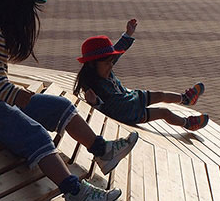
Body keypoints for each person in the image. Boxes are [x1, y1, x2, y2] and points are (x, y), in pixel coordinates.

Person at [0, 0, 138, 201]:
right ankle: (75, 193)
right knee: (35, 134)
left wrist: (12, 95)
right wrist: (14, 95)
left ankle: (103, 151)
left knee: (61, 107)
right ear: (12, 4)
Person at [73, 19, 209, 130]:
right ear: (92, 64)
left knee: (160, 94)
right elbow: (101, 109)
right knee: (164, 112)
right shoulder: (92, 86)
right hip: (128, 112)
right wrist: (95, 103)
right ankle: (187, 123)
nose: (111, 65)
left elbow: (117, 51)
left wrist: (128, 34)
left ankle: (186, 99)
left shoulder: (101, 67)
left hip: (131, 98)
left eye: (111, 62)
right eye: (107, 63)